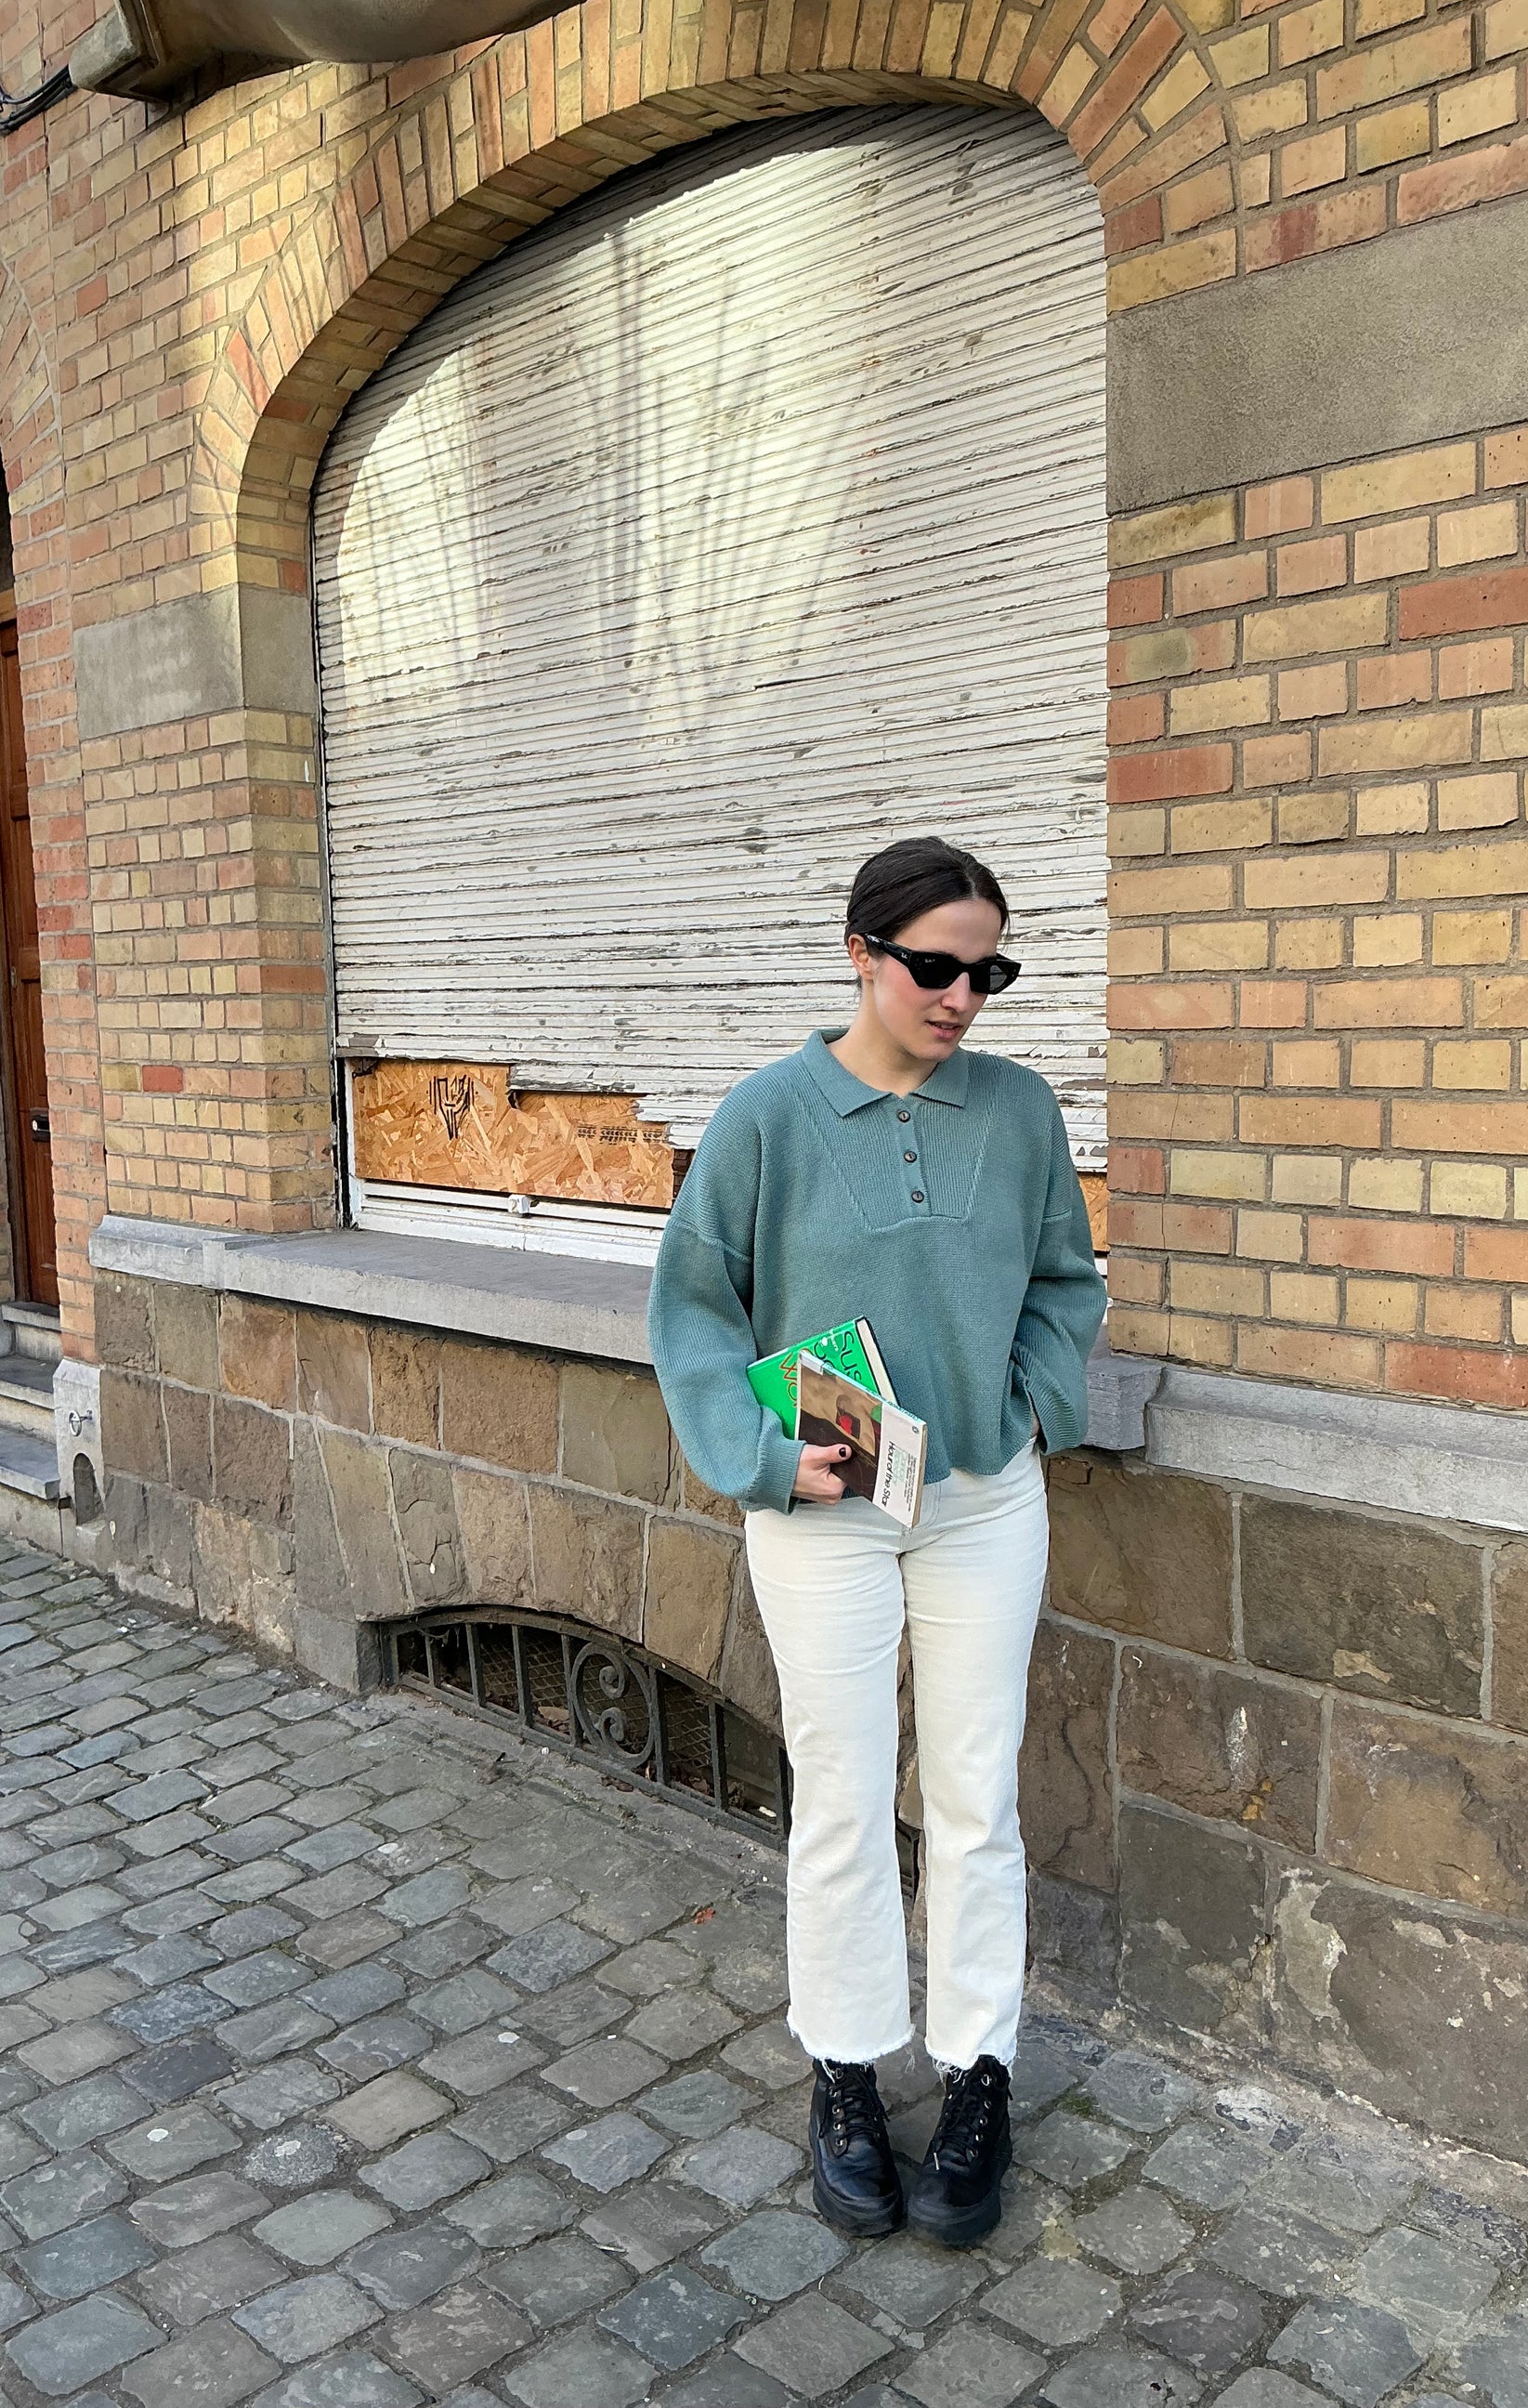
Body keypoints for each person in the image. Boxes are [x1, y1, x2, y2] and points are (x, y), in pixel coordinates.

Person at [646, 835, 1105, 2247]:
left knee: (976, 1796)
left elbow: (1064, 1281)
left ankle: (977, 2072)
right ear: (860, 952)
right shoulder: (766, 1120)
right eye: (934, 968)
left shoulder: (1017, 1113)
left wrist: (1030, 1406)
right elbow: (694, 1313)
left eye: (988, 973)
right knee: (843, 1796)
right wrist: (767, 1459)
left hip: (980, 1502)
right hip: (825, 1513)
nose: (961, 997)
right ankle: (843, 2069)